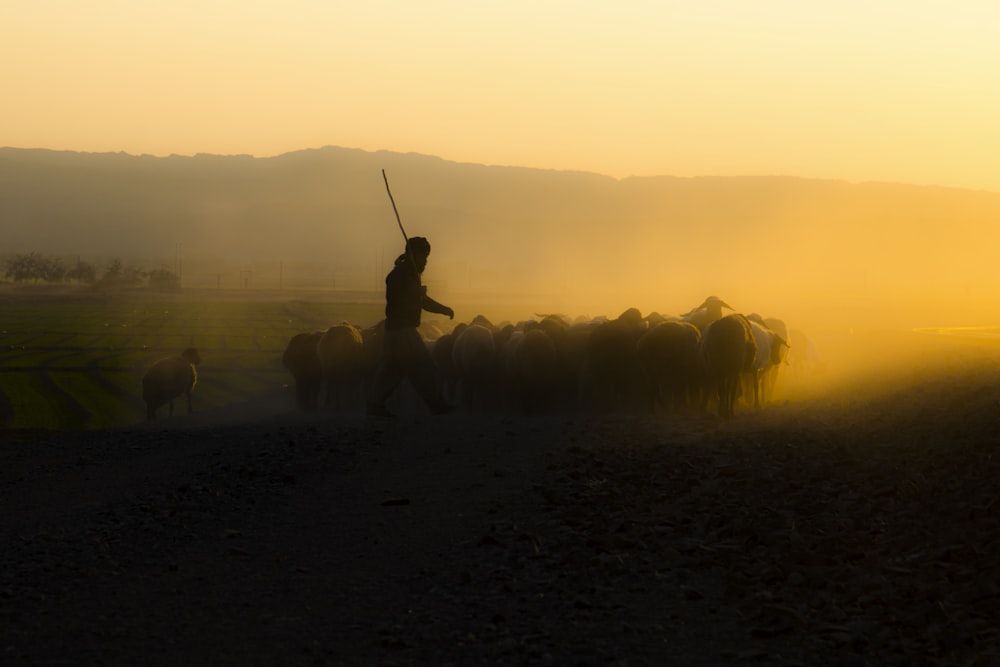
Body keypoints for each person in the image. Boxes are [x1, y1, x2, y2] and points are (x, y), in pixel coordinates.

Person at [367, 236, 455, 416]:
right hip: (403, 331)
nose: (426, 262)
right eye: (424, 257)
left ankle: (375, 406)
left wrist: (443, 309)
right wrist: (416, 292)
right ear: (414, 254)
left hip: (395, 332)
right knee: (425, 367)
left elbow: (421, 300)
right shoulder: (399, 275)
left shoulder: (408, 274)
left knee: (392, 371)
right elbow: (401, 297)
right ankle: (437, 405)